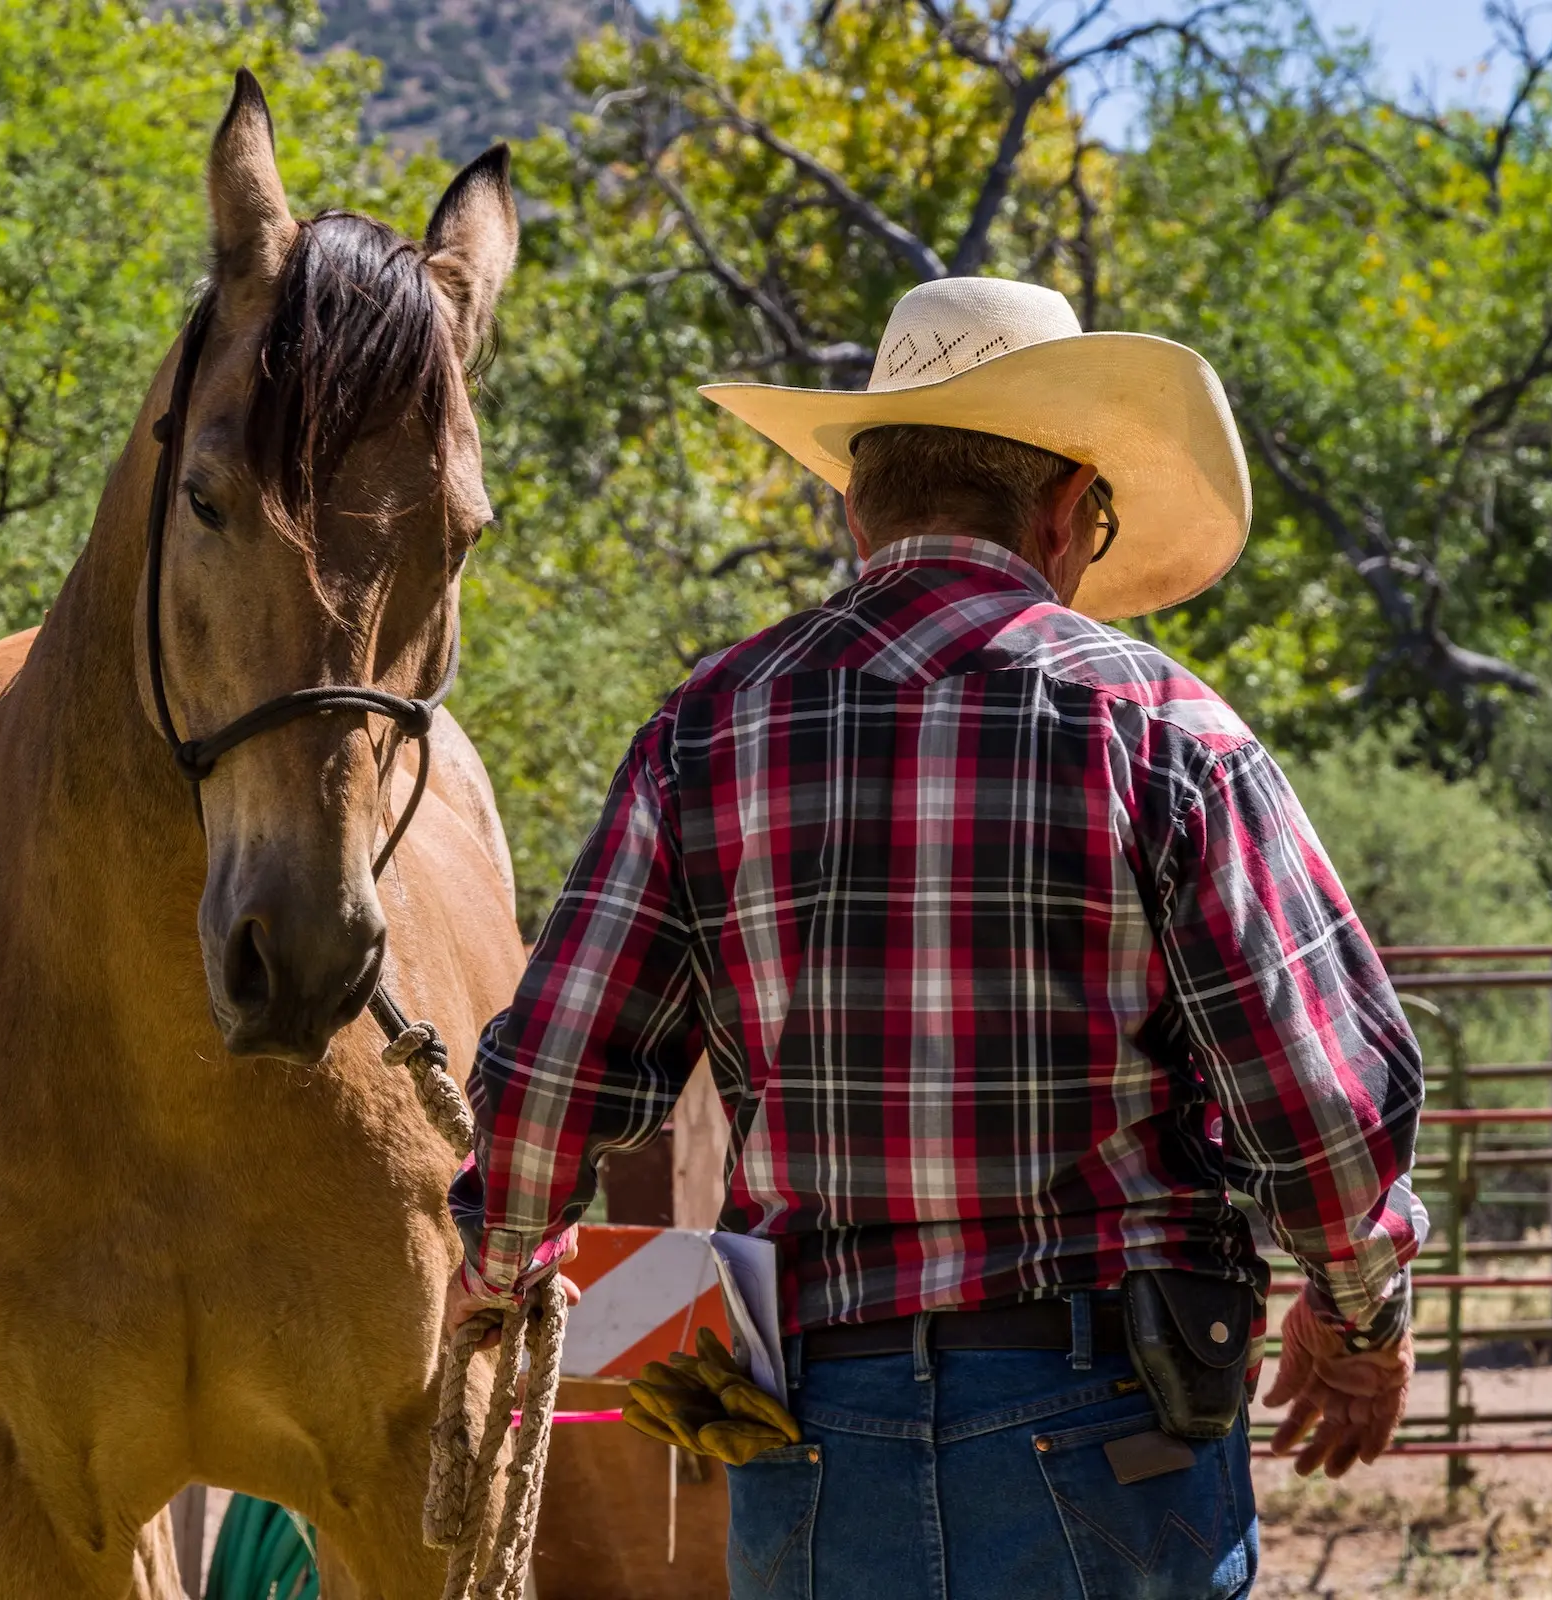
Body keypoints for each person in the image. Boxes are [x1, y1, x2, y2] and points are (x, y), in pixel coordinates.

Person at [445, 277, 1426, 1600]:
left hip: (810, 1431)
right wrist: (1360, 1317)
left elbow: (559, 1073)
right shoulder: (1165, 732)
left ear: (859, 506)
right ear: (1072, 509)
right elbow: (1318, 1108)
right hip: (1107, 1419)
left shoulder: (708, 729)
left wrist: (500, 1269)